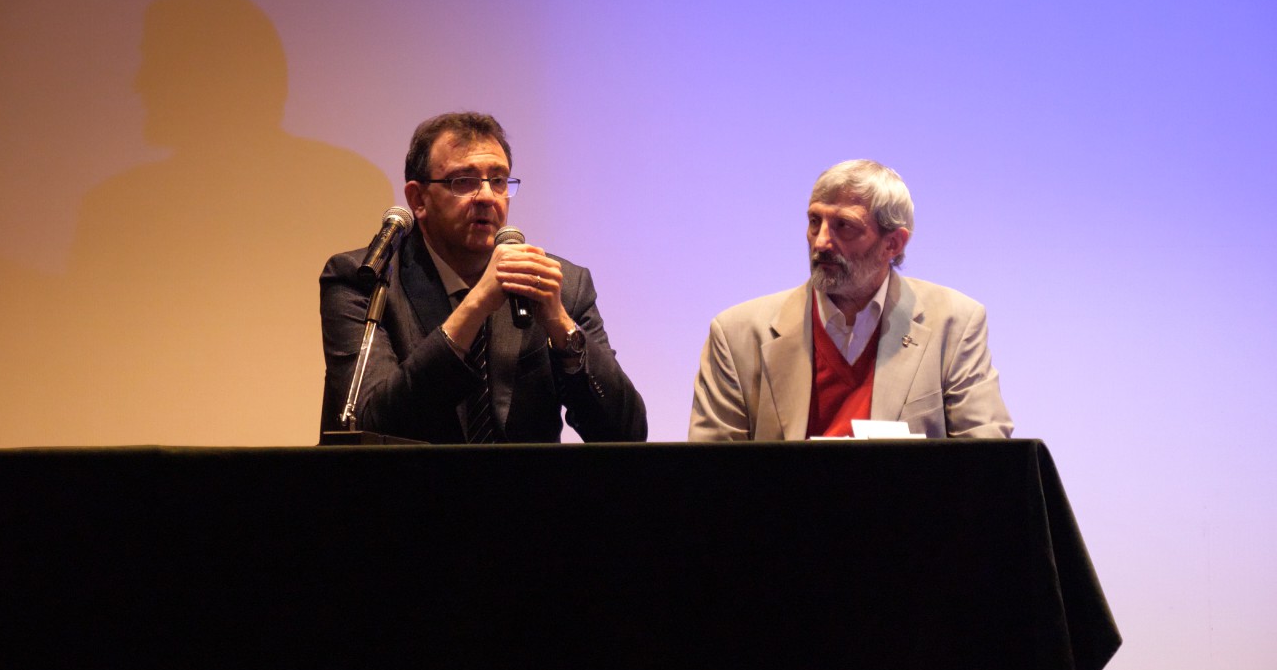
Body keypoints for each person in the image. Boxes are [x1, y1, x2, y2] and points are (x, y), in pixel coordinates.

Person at [320, 112, 646, 443]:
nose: (488, 197)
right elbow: (370, 425)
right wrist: (475, 306)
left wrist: (562, 329)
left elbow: (626, 434)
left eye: (498, 180)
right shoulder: (365, 279)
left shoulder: (561, 284)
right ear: (418, 199)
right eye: (464, 181)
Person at [689, 159, 1012, 441]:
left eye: (844, 226)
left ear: (893, 244)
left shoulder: (953, 323)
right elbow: (711, 470)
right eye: (815, 221)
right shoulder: (737, 334)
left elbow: (987, 454)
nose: (821, 242)